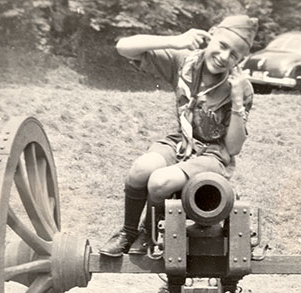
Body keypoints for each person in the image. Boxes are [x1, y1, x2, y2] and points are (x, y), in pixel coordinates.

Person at [99, 15, 258, 257]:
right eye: (222, 45)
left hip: (212, 155)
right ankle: (128, 232)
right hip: (180, 142)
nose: (224, 57)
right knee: (142, 168)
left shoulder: (239, 86)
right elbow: (123, 47)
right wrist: (176, 40)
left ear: (241, 59)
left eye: (234, 55)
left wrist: (237, 100)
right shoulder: (185, 61)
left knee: (159, 181)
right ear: (212, 33)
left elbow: (233, 148)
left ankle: (148, 231)